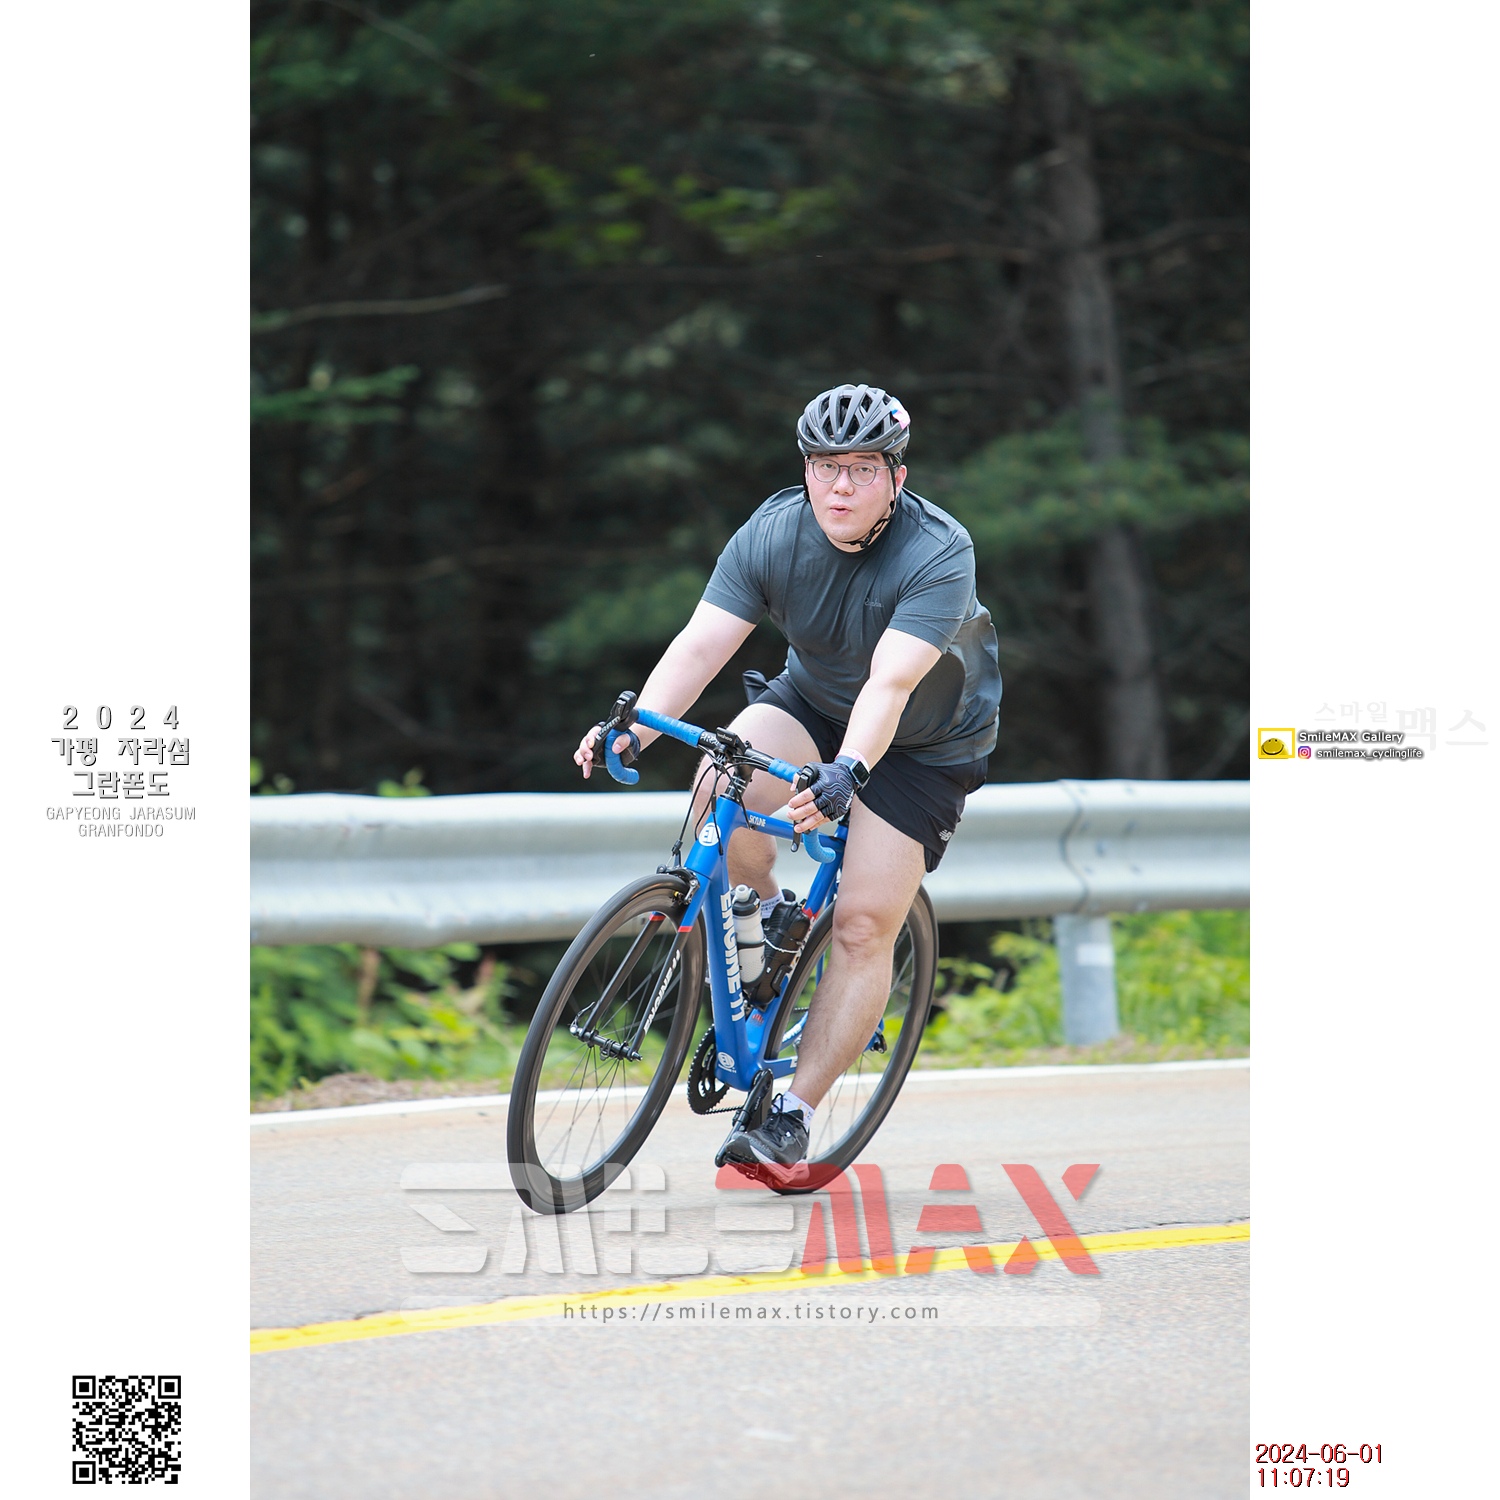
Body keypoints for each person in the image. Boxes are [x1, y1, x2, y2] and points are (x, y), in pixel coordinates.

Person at [574, 383, 1001, 1168]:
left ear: (897, 479)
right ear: (805, 470)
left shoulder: (938, 550)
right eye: (825, 467)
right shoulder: (773, 532)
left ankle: (793, 1115)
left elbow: (889, 686)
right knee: (717, 782)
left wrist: (848, 772)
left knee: (864, 923)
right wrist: (633, 727)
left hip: (921, 742)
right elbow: (702, 643)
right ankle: (768, 922)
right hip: (813, 700)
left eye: (863, 469)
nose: (840, 487)